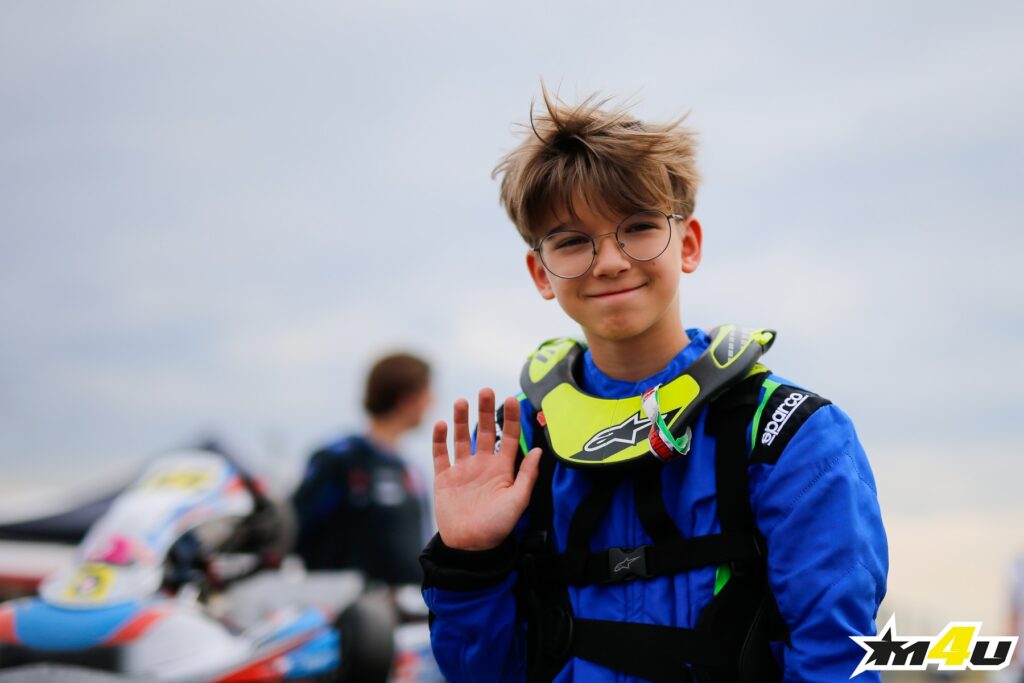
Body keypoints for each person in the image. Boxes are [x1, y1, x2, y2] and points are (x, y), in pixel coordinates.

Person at [419, 90, 889, 682]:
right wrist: (469, 561)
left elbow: (836, 659)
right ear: (540, 272)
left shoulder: (790, 436)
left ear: (687, 244)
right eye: (571, 240)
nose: (610, 261)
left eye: (638, 227)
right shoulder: (517, 447)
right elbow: (484, 673)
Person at [293, 352, 432, 585]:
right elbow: (294, 527)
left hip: (407, 603)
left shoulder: (410, 472)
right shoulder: (339, 460)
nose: (432, 402)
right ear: (408, 398)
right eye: (427, 393)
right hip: (343, 603)